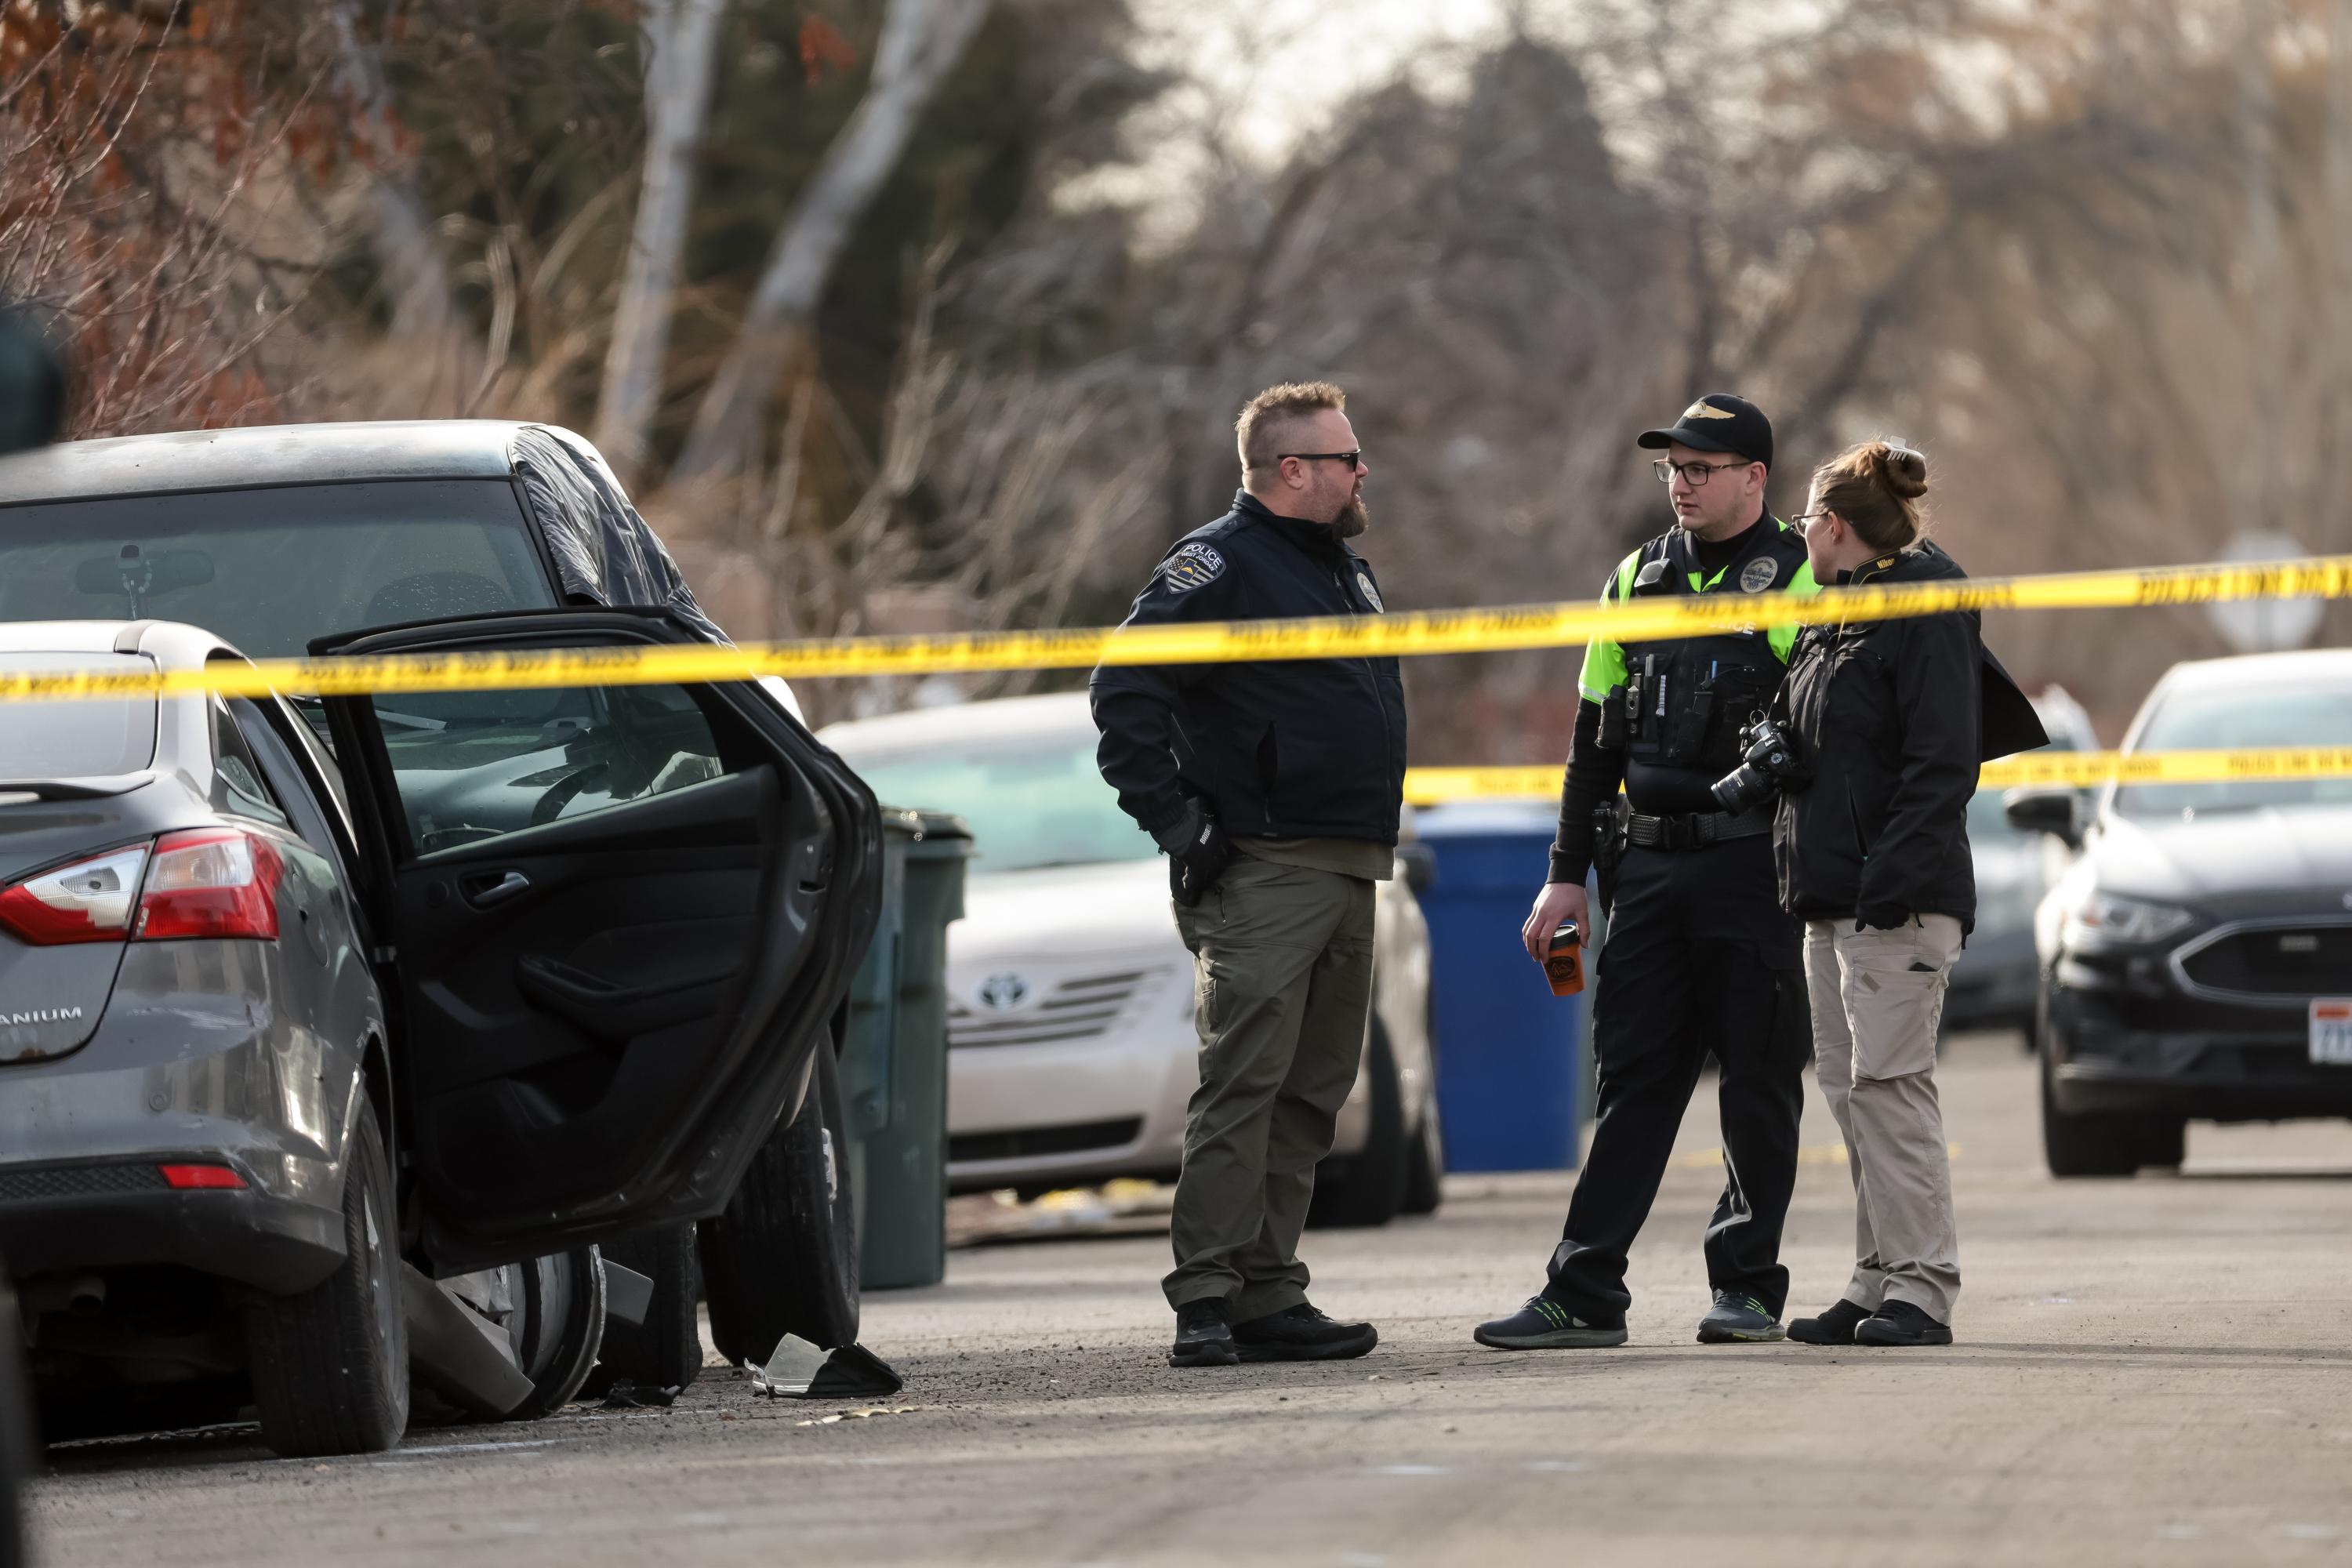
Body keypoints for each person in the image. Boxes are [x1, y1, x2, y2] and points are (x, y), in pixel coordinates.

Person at [1474, 394, 1819, 1352]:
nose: (1682, 483)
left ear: (1755, 476)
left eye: (1702, 467)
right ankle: (1584, 1288)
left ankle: (1746, 1286)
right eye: (1673, 467)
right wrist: (1566, 874)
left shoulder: (1801, 576)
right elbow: (1594, 741)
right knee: (1633, 1081)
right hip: (1651, 869)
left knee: (1757, 1082)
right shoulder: (1635, 577)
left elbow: (1826, 733)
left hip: (1754, 865)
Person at [1092, 381, 1407, 1369]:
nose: (1363, 471)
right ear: (1292, 469)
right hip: (1267, 870)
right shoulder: (1220, 562)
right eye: (1347, 458)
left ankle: (1269, 1291)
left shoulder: (1339, 569)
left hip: (1348, 864)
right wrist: (1179, 824)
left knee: (1312, 1092)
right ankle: (1205, 1295)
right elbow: (1123, 691)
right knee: (1243, 1086)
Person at [1771, 440, 2043, 1348]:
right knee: (1852, 1092)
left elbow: (1942, 760)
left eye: (1804, 521)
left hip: (1896, 898)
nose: (1799, 535)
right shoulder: (1837, 611)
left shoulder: (1925, 603)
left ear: (1833, 525)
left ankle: (1922, 1288)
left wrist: (1889, 879)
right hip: (1832, 894)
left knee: (1891, 1087)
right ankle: (1876, 1276)